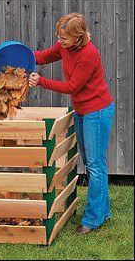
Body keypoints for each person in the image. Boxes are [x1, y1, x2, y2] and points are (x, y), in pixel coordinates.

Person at [29, 12, 115, 235]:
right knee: (91, 162)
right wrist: (20, 55)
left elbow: (72, 86)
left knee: (95, 166)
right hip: (82, 110)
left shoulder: (88, 54)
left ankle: (93, 219)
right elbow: (43, 56)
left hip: (97, 110)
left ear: (78, 37)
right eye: (59, 37)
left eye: (64, 38)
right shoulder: (65, 46)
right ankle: (103, 211)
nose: (60, 42)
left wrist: (42, 82)